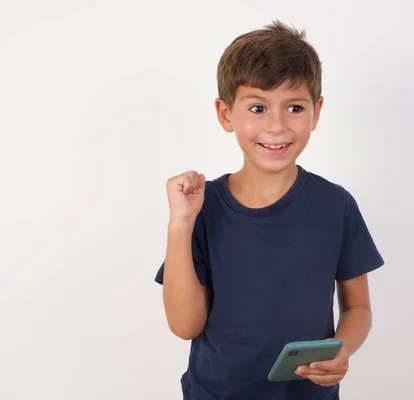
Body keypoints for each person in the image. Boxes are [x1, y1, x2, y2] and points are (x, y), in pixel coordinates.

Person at [154, 20, 384, 400]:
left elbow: (358, 307)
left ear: (316, 111)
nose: (276, 126)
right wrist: (180, 223)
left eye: (294, 107)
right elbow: (184, 325)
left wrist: (343, 347)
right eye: (258, 108)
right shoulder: (202, 208)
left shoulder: (336, 205)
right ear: (226, 114)